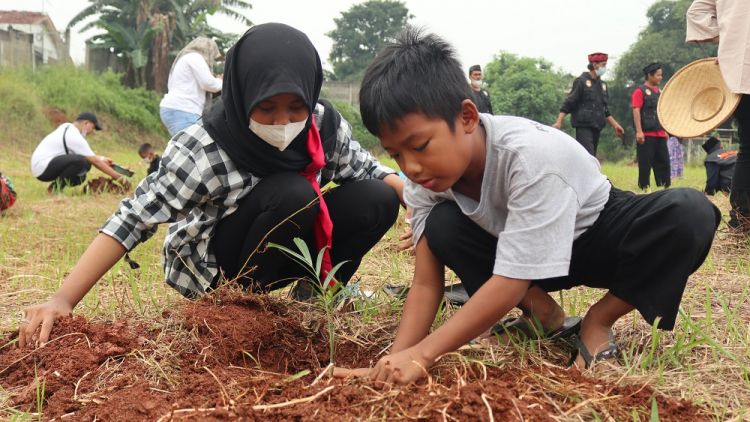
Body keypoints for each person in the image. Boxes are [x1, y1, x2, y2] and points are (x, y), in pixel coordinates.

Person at [335, 28, 719, 384]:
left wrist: (425, 354)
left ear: (467, 117)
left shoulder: (530, 158)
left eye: (419, 146)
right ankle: (544, 315)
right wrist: (392, 361)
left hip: (594, 235)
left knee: (689, 212)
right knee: (442, 225)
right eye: (396, 154)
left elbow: (509, 281)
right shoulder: (426, 180)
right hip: (517, 253)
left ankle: (598, 321)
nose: (411, 167)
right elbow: (424, 282)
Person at [17, 23, 404, 348]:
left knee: (378, 197)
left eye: (295, 107)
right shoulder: (204, 146)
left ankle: (314, 295)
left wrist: (416, 198)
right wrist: (63, 299)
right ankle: (238, 312)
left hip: (286, 244)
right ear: (241, 93)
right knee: (294, 192)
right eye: (266, 108)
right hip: (221, 264)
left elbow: (366, 169)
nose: (282, 122)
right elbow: (135, 216)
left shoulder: (323, 126)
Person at [687, 0, 750, 229]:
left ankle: (742, 220)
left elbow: (696, 13)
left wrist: (730, 34)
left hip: (738, 74)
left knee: (747, 148)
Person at [30, 112, 125, 194]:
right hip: (43, 167)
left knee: (82, 173)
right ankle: (54, 189)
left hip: (42, 166)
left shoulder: (68, 127)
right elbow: (95, 162)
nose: (91, 132)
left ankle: (54, 187)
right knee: (81, 161)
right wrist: (119, 178)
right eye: (93, 127)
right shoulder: (74, 135)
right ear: (86, 123)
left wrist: (102, 159)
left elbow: (90, 157)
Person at [553, 52, 625, 156]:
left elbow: (605, 109)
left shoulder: (603, 85)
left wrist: (615, 125)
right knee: (588, 156)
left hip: (597, 126)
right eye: (603, 65)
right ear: (595, 65)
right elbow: (569, 103)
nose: (605, 68)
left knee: (592, 156)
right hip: (583, 126)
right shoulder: (581, 82)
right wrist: (559, 122)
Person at [159, 37, 223, 136]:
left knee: (183, 146)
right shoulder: (195, 57)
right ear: (208, 50)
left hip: (174, 108)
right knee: (190, 146)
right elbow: (208, 84)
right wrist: (222, 81)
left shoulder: (185, 58)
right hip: (184, 109)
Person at [632, 63, 670, 190]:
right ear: (650, 75)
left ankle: (664, 186)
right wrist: (639, 131)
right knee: (645, 163)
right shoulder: (639, 91)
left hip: (660, 133)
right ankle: (644, 187)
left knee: (663, 162)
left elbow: (663, 112)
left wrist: (665, 130)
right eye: (658, 75)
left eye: (661, 75)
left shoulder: (660, 92)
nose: (660, 77)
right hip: (646, 135)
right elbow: (636, 110)